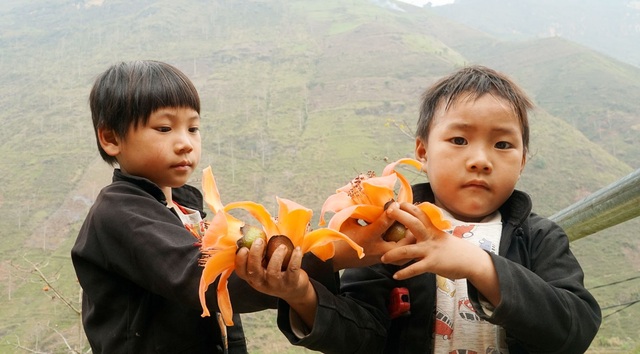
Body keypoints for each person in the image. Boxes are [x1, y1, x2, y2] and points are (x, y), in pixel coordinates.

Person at [235, 65, 602, 353]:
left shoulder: (541, 238)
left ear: (523, 160)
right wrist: (302, 294)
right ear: (422, 153)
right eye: (458, 140)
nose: (480, 160)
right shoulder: (386, 232)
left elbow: (575, 330)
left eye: (503, 144)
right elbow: (362, 339)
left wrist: (478, 264)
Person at [71, 60, 339, 353]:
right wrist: (334, 255)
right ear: (110, 138)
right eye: (164, 128)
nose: (185, 143)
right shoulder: (119, 212)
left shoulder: (185, 210)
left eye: (193, 128)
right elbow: (203, 281)